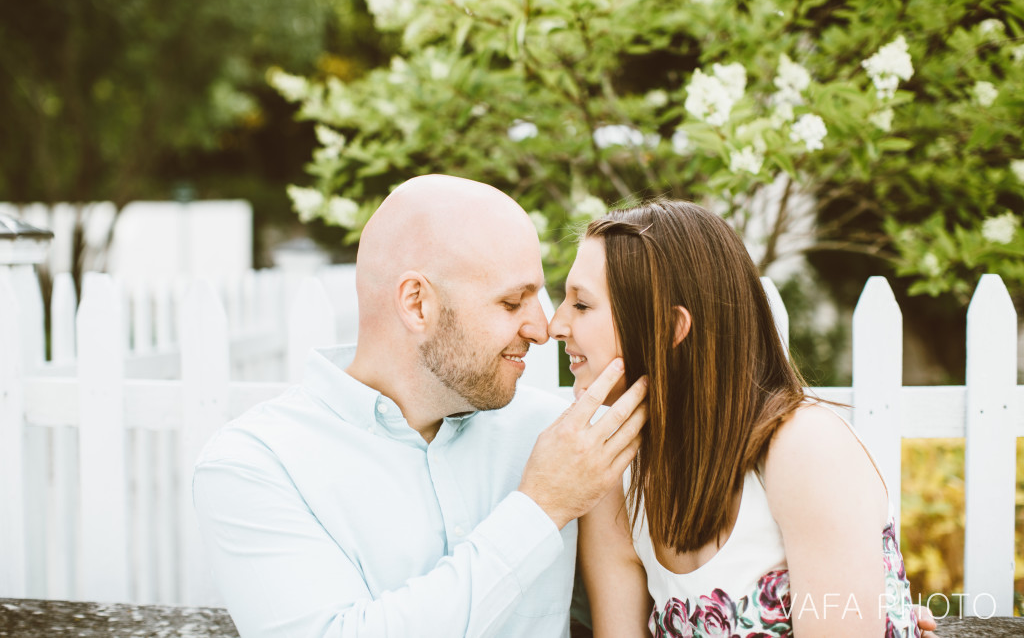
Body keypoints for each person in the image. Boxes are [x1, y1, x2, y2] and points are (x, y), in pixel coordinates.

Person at [192, 174, 647, 637]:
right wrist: (541, 508)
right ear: (417, 304)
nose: (542, 328)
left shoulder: (562, 439)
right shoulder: (254, 466)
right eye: (512, 303)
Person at [549, 200, 929, 637]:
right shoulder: (617, 475)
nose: (555, 325)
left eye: (581, 305)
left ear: (671, 327)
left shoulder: (805, 449)